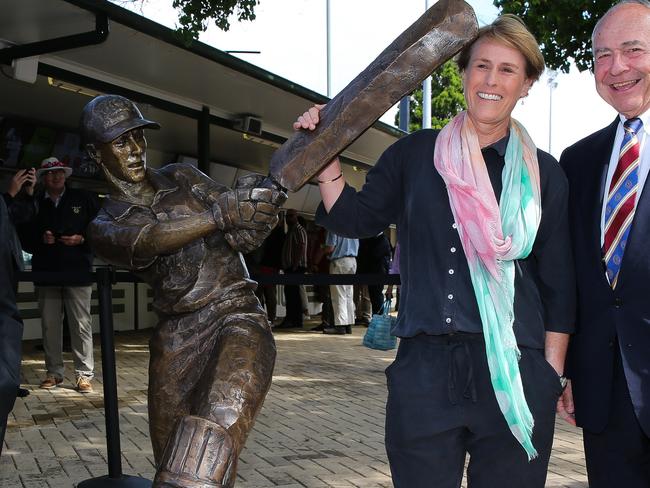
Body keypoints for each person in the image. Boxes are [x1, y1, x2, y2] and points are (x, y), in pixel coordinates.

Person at [294, 14, 575, 488]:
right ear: (462, 73)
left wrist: (551, 374)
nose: (491, 80)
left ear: (527, 84)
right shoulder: (415, 155)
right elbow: (356, 220)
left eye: (508, 70)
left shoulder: (545, 175)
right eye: (481, 66)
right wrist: (325, 157)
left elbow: (560, 283)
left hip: (515, 369)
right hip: (423, 371)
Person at [83, 94, 286, 487]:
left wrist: (256, 206)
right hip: (176, 338)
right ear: (96, 153)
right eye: (121, 142)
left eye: (139, 137)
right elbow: (151, 240)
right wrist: (219, 215)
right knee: (175, 458)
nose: (137, 150)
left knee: (210, 434)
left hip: (236, 315)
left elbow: (242, 233)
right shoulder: (104, 223)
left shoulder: (182, 177)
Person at [558, 1, 650, 486]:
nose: (616, 68)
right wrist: (573, 370)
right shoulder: (577, 161)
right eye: (602, 55)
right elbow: (574, 277)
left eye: (633, 50)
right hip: (605, 395)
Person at [21, 157, 99, 393]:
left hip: (78, 271)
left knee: (81, 325)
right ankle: (54, 373)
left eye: (59, 173)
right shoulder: (34, 202)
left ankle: (84, 375)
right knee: (50, 325)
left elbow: (101, 229)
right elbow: (23, 235)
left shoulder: (83, 199)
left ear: (66, 176)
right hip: (47, 272)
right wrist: (40, 240)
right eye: (49, 173)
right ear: (44, 178)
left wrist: (82, 239)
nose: (55, 177)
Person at [323, 231, 359, 335]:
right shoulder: (352, 227)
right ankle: (348, 325)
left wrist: (323, 249)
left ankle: (340, 326)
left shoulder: (333, 226)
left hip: (339, 261)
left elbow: (330, 248)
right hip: (352, 261)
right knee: (348, 294)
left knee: (338, 295)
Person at [277, 209, 308, 329]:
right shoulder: (291, 230)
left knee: (293, 295)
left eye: (291, 216)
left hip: (296, 267)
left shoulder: (298, 230)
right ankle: (292, 319)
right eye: (287, 216)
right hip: (290, 267)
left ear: (296, 217)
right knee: (290, 294)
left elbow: (301, 246)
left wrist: (295, 264)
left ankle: (294, 320)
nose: (288, 219)